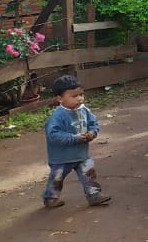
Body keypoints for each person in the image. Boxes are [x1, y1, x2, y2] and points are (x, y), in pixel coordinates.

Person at [42, 74, 110, 209]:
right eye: (74, 96)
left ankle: (94, 195)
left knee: (89, 173)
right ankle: (50, 197)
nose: (79, 99)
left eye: (81, 94)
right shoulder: (57, 116)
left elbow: (93, 123)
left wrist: (93, 132)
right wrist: (75, 138)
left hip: (82, 154)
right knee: (57, 178)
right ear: (60, 99)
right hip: (61, 158)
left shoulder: (84, 110)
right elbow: (53, 135)